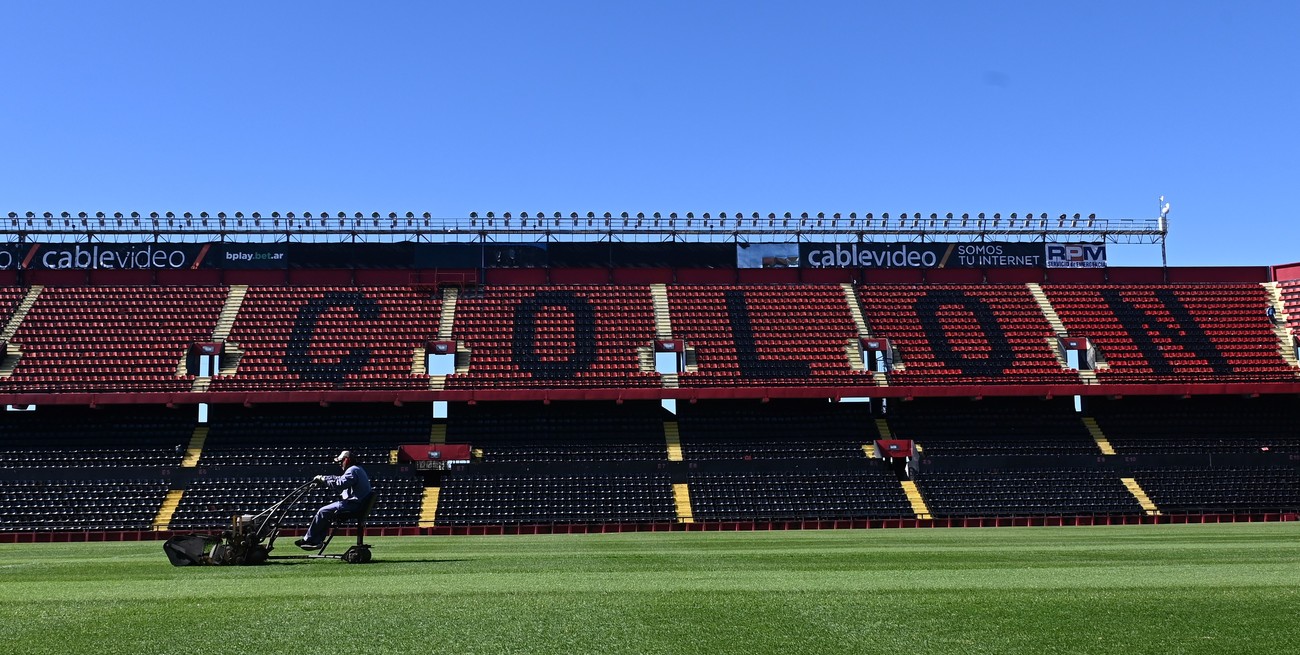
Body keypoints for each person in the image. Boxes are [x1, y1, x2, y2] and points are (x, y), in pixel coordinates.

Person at [296, 450, 372, 550]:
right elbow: (339, 479)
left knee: (323, 511)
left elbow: (340, 483)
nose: (340, 464)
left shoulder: (353, 470)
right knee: (326, 513)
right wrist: (324, 478)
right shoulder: (357, 469)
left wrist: (323, 479)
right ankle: (316, 540)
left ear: (347, 460)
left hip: (353, 505)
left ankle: (311, 540)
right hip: (357, 504)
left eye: (341, 461)